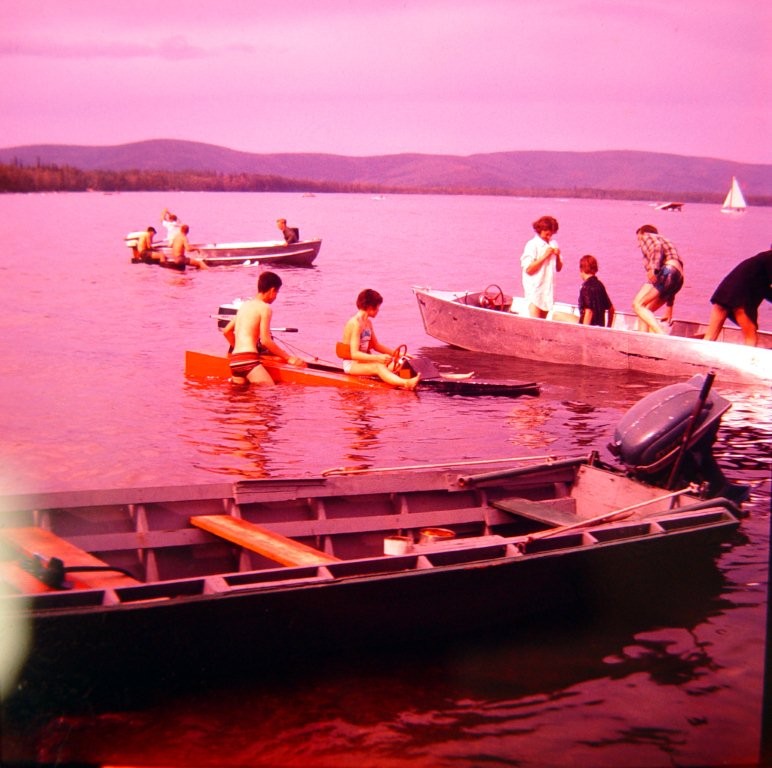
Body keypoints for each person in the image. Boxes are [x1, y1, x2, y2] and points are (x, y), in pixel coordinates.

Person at [221, 271, 306, 385]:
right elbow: (265, 340)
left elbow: (226, 331)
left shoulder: (244, 306)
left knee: (242, 400)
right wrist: (289, 358)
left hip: (235, 361)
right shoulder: (265, 308)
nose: (276, 296)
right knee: (269, 391)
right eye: (277, 292)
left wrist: (238, 348)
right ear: (272, 290)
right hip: (249, 361)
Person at [338, 289, 421, 390]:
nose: (378, 310)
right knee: (378, 366)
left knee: (400, 363)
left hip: (364, 362)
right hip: (352, 365)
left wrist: (399, 354)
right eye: (377, 306)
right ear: (369, 307)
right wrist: (377, 358)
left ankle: (411, 379)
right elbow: (354, 354)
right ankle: (406, 383)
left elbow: (376, 345)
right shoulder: (355, 324)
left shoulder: (368, 323)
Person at [704, 250, 772, 346]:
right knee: (750, 336)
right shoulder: (769, 260)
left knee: (710, 336)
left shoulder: (761, 260)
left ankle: (699, 358)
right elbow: (765, 290)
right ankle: (748, 360)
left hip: (723, 293)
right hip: (739, 299)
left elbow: (764, 288)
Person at [632, 224, 684, 333]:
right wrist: (669, 307)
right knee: (645, 311)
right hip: (678, 277)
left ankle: (661, 335)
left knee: (637, 304)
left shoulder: (646, 235)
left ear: (641, 233)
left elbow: (656, 246)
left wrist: (652, 268)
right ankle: (644, 340)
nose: (639, 243)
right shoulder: (665, 240)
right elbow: (672, 277)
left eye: (638, 240)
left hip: (667, 270)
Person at [517, 215, 563, 318]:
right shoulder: (532, 244)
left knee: (543, 323)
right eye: (547, 234)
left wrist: (558, 256)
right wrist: (544, 256)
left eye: (551, 234)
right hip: (534, 290)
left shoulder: (553, 243)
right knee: (535, 322)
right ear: (540, 230)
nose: (549, 237)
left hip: (547, 291)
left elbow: (559, 268)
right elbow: (528, 269)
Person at [578, 254, 615, 326]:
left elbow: (589, 312)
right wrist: (608, 327)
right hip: (600, 326)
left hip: (588, 328)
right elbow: (611, 310)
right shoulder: (600, 285)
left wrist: (584, 333)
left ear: (582, 270)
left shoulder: (585, 287)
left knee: (556, 315)